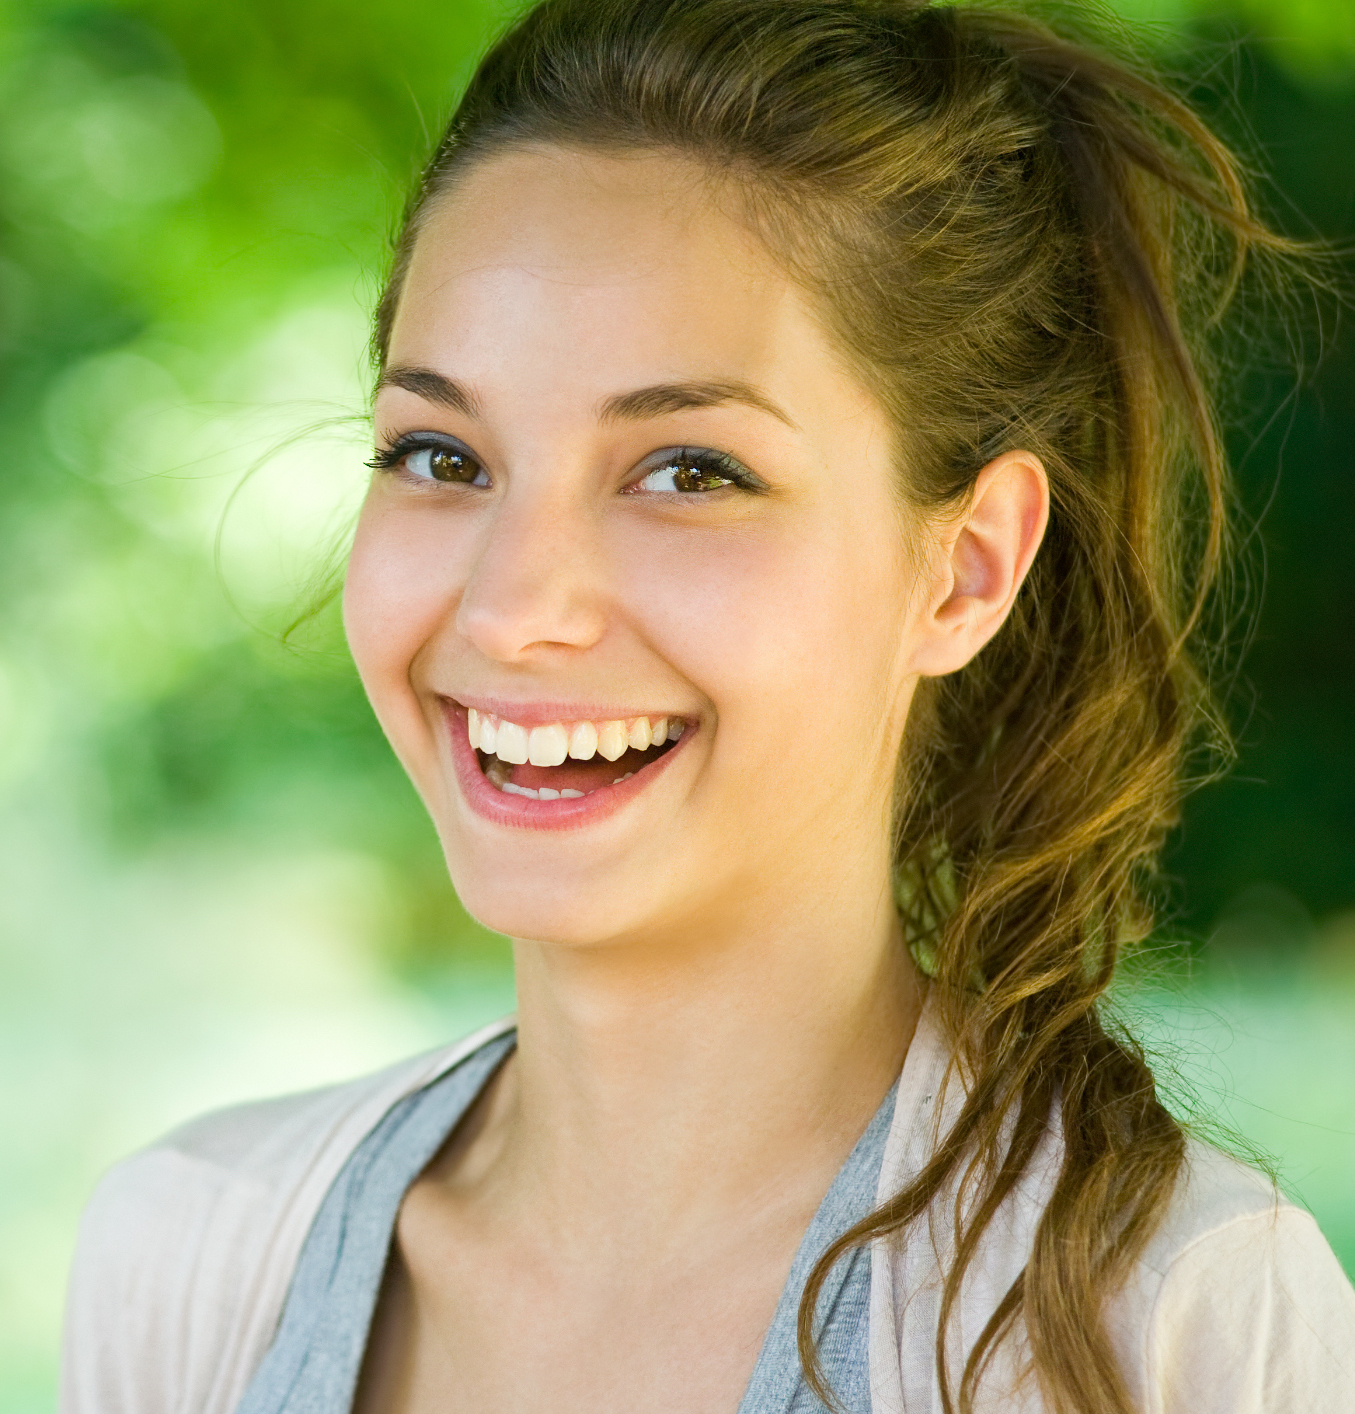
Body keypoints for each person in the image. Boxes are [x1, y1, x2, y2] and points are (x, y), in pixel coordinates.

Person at [60, 1, 1355, 1411]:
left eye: (689, 471)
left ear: (964, 570)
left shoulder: (1168, 1321)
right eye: (441, 454)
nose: (509, 608)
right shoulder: (191, 1258)